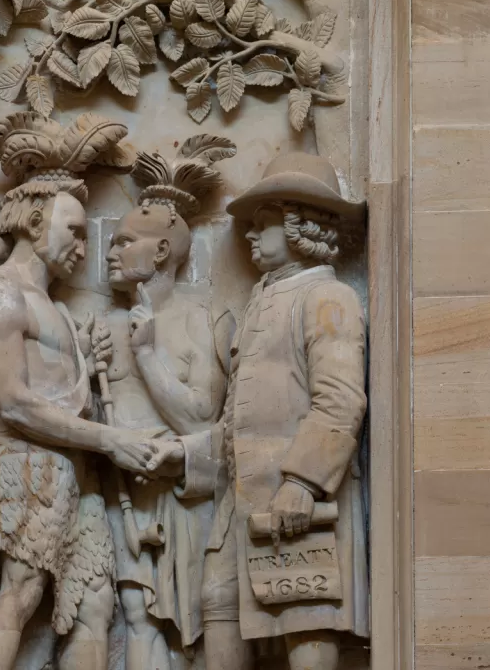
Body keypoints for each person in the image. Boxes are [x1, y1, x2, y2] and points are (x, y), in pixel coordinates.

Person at [148, 152, 369, 670]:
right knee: (218, 605)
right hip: (242, 504)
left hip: (301, 501)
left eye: (262, 224)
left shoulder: (327, 297)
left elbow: (340, 398)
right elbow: (236, 418)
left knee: (307, 619)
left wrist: (304, 482)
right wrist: (183, 453)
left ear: (300, 226)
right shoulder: (257, 306)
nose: (249, 236)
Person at [0, 111, 161, 670]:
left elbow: (63, 396)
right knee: (19, 596)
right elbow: (17, 403)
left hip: (74, 468)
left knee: (96, 606)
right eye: (73, 231)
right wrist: (109, 438)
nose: (82, 246)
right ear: (33, 222)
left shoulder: (59, 311)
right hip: (22, 462)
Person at [99, 136, 234, 669]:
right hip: (126, 497)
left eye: (124, 241)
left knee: (195, 627)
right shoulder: (102, 324)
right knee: (135, 613)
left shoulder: (206, 318)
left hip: (188, 501)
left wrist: (149, 355)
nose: (109, 251)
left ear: (160, 252)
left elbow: (203, 416)